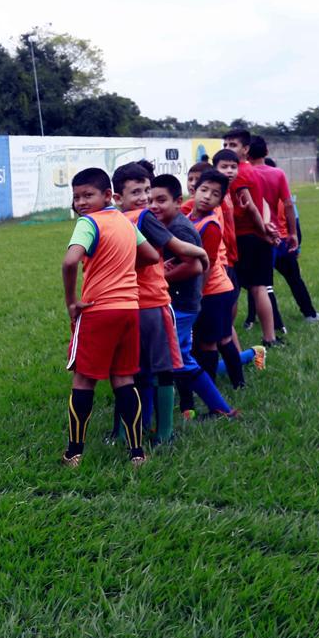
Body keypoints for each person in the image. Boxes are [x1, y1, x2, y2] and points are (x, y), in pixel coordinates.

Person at [62, 167, 160, 468]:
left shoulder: (88, 222)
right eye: (76, 197)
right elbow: (152, 256)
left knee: (84, 379)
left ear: (107, 195)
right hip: (129, 309)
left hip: (98, 310)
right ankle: (137, 453)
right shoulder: (124, 221)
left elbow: (70, 261)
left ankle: (74, 453)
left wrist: (71, 302)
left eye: (87, 195)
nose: (81, 202)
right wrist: (122, 268)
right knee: (124, 379)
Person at [108, 163, 207, 446]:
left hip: (123, 303)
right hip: (152, 303)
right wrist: (203, 255)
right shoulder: (144, 217)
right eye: (136, 192)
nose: (144, 198)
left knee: (128, 372)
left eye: (146, 190)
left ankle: (122, 431)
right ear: (118, 197)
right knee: (164, 371)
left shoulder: (112, 220)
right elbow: (178, 247)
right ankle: (164, 433)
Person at [150, 174, 238, 420]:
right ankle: (204, 407)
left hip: (185, 303)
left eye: (161, 200)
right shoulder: (174, 221)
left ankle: (219, 408)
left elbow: (196, 266)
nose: (154, 206)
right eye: (150, 200)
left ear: (178, 201)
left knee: (178, 356)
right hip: (179, 302)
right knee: (180, 356)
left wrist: (161, 277)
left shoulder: (181, 227)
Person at [187, 169, 262, 390]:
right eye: (204, 190)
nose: (207, 196)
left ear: (220, 201)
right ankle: (236, 382)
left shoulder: (210, 225)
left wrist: (198, 295)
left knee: (212, 343)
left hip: (213, 291)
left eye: (215, 194)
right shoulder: (189, 217)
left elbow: (207, 265)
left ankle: (213, 388)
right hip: (213, 290)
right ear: (194, 190)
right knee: (219, 338)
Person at [248, 138, 319, 324]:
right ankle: (310, 314)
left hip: (258, 238)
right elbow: (289, 206)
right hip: (281, 238)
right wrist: (293, 234)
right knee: (294, 278)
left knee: (258, 283)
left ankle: (254, 320)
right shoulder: (278, 175)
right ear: (266, 151)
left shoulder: (244, 176)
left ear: (246, 153)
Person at [219, 130, 282, 347]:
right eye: (225, 145)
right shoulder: (254, 171)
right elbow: (264, 203)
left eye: (233, 145)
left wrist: (264, 230)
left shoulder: (238, 174)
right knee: (259, 287)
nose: (228, 148)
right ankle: (268, 337)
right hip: (256, 235)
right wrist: (267, 228)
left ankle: (228, 336)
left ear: (246, 149)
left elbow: (253, 207)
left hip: (245, 236)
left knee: (239, 289)